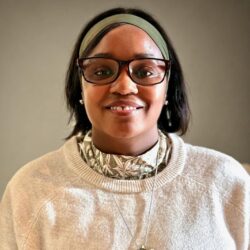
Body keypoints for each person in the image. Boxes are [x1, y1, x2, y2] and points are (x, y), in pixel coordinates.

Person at [0, 7, 249, 250]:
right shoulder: (31, 190)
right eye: (101, 71)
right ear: (80, 88)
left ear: (167, 88)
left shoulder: (225, 182)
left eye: (144, 71)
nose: (124, 87)